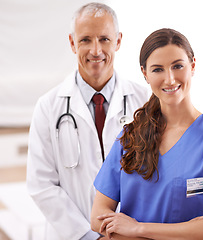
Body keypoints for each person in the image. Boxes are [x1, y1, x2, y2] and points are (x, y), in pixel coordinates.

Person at [91, 28, 203, 240]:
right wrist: (186, 232)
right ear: (145, 74)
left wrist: (138, 228)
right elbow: (98, 219)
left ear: (192, 66)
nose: (170, 79)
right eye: (157, 70)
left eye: (178, 66)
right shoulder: (130, 138)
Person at [26, 3, 150, 240]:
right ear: (72, 43)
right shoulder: (47, 107)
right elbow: (42, 185)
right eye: (85, 40)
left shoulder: (144, 101)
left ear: (118, 41)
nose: (96, 50)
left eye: (104, 39)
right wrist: (89, 236)